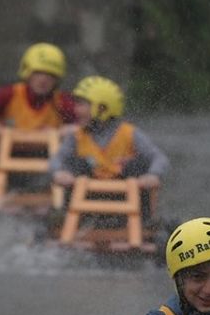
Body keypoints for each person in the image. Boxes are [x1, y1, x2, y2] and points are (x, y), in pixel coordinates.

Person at [0, 43, 76, 193]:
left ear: (57, 79)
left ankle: (65, 189)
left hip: (44, 158)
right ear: (28, 73)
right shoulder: (11, 94)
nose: (43, 80)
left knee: (80, 138)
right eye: (38, 73)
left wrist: (74, 128)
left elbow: (90, 120)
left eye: (50, 75)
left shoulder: (62, 102)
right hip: (8, 153)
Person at [49, 76, 168, 218]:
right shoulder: (76, 136)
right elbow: (57, 159)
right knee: (74, 164)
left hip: (124, 197)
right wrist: (58, 172)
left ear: (102, 108)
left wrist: (153, 174)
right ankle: (69, 221)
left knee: (139, 165)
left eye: (82, 104)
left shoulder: (129, 133)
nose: (76, 110)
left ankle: (143, 223)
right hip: (88, 199)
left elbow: (159, 157)